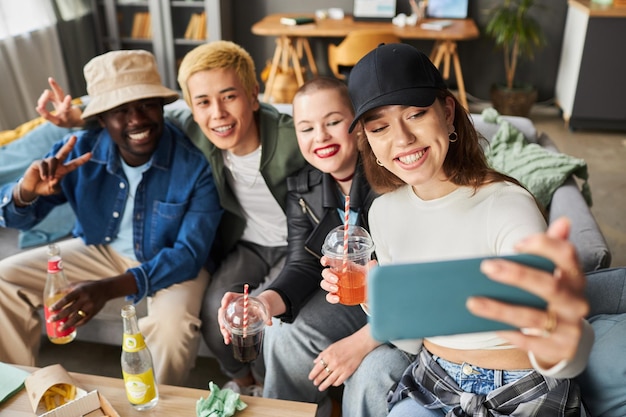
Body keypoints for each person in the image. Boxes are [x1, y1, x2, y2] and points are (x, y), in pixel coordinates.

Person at [320, 43, 594, 416]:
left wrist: (562, 340)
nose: (402, 139)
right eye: (380, 127)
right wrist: (374, 295)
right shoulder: (383, 212)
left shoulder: (507, 205)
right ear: (369, 142)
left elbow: (557, 338)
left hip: (521, 386)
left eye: (416, 114)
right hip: (434, 380)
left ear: (447, 113)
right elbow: (412, 341)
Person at [35, 41, 307, 394]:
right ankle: (241, 381)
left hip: (298, 244)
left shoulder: (292, 136)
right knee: (216, 311)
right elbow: (132, 114)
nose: (218, 114)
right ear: (190, 108)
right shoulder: (187, 123)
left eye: (229, 97)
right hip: (251, 243)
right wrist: (78, 118)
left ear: (253, 96)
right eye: (204, 103)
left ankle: (274, 391)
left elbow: (333, 144)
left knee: (267, 321)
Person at [0, 50, 223, 387]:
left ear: (161, 107)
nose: (137, 120)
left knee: (173, 327)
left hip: (171, 262)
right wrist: (25, 193)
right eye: (120, 110)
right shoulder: (78, 150)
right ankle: (16, 389)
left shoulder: (194, 164)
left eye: (146, 105)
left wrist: (107, 289)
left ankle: (154, 407)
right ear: (101, 118)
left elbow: (189, 255)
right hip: (102, 250)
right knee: (5, 278)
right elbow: (18, 218)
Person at [218, 77, 413, 417]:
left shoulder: (397, 177)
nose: (320, 137)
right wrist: (263, 304)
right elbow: (303, 265)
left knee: (372, 369)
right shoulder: (302, 188)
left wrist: (364, 339)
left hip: (403, 303)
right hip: (352, 298)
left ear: (357, 124)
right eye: (306, 128)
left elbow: (415, 277)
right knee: (280, 331)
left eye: (333, 122)